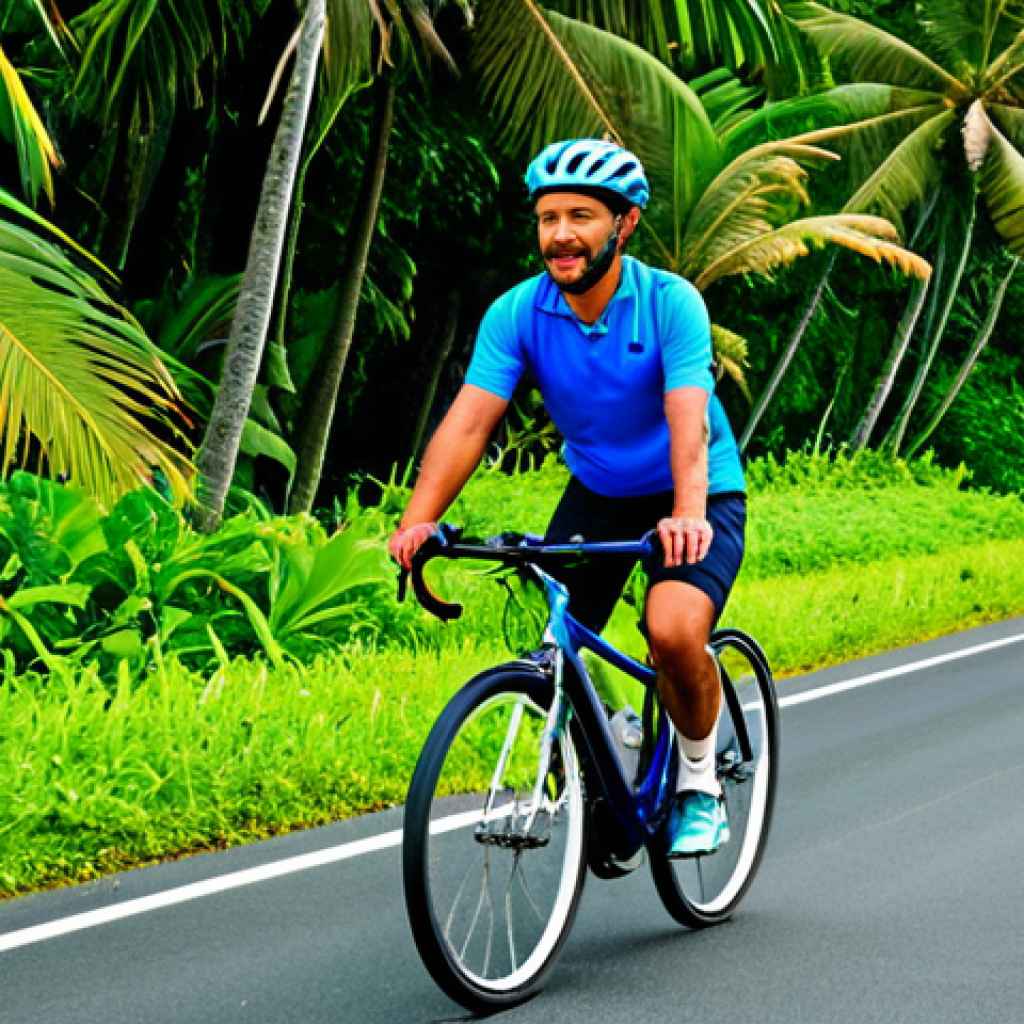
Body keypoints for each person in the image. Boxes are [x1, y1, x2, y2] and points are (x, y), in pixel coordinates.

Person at [389, 138, 746, 857]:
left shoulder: (670, 304)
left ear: (626, 222)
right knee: (557, 650)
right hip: (599, 491)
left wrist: (685, 512)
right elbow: (468, 421)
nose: (560, 234)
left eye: (580, 215)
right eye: (548, 217)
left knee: (673, 630)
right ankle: (616, 743)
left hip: (694, 491)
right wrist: (418, 521)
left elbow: (688, 418)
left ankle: (700, 781)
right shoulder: (520, 312)